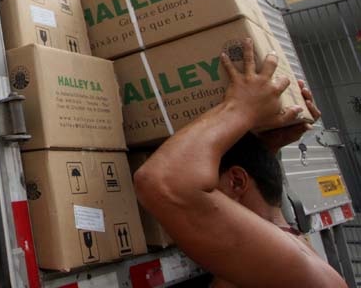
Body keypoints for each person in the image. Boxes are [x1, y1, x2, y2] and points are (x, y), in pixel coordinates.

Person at [133, 39, 347, 288]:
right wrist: (266, 139)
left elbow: (162, 182)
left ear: (236, 181)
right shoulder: (273, 255)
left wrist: (241, 108)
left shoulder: (289, 264)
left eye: (209, 182)